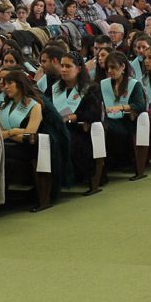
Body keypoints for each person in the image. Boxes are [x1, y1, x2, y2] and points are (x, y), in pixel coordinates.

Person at [0, 69, 51, 210]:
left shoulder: (34, 106)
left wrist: (9, 133)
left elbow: (29, 134)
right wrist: (13, 132)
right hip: (7, 144)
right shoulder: (4, 105)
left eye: (9, 83)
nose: (5, 87)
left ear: (20, 85)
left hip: (28, 148)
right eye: (4, 84)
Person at [52, 51, 105, 195]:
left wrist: (73, 117)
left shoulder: (90, 88)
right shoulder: (55, 88)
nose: (63, 69)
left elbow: (94, 113)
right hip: (57, 127)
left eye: (68, 66)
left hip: (80, 129)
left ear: (79, 69)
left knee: (68, 141)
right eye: (62, 66)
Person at [99, 52, 148, 180]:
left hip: (126, 122)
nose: (110, 71)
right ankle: (99, 168)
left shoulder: (133, 84)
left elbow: (140, 105)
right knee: (97, 126)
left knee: (102, 127)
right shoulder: (103, 84)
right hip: (108, 119)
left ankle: (102, 169)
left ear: (123, 67)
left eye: (113, 67)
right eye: (108, 68)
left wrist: (121, 107)